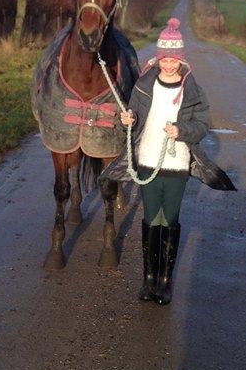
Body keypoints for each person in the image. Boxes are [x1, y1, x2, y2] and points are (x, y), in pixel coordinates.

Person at [99, 17, 236, 305]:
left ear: (181, 59)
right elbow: (133, 119)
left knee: (169, 220)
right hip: (148, 162)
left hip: (176, 166)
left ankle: (165, 281)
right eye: (165, 59)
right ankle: (149, 280)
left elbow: (202, 124)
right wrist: (128, 119)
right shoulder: (143, 84)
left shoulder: (192, 88)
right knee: (151, 219)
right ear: (159, 58)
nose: (169, 64)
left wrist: (182, 131)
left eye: (174, 59)